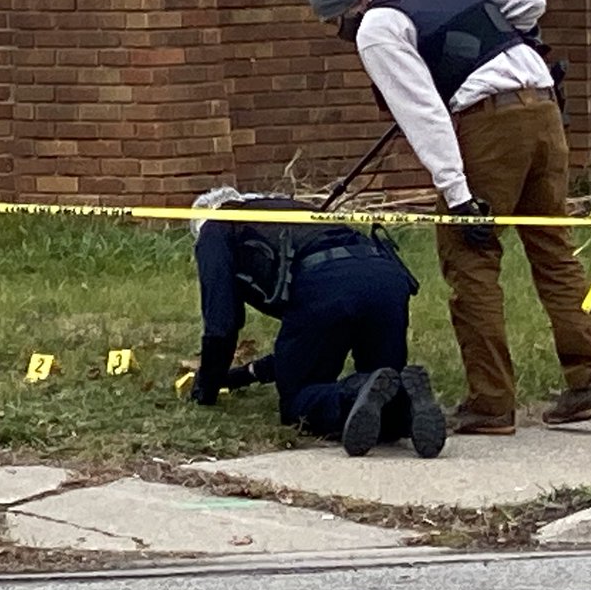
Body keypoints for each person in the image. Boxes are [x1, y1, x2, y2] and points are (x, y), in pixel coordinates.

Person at [305, 0, 591, 435]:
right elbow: (532, 3)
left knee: (471, 258)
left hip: (488, 124)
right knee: (553, 249)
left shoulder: (377, 27)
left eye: (332, 23)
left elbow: (423, 113)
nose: (336, 31)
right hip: (544, 108)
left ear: (347, 9)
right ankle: (589, 381)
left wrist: (458, 194)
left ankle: (490, 403)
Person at [188, 187, 446, 459]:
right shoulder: (291, 208)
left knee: (298, 400)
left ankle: (355, 391)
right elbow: (297, 352)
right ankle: (408, 407)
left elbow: (221, 324)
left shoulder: (214, 227)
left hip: (324, 285)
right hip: (385, 277)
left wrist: (206, 389)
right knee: (385, 381)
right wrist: (242, 376)